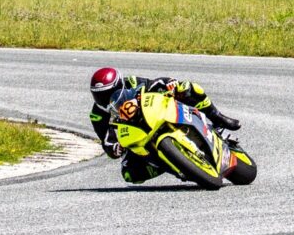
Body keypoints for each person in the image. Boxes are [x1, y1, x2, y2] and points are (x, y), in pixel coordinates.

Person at [88, 66, 241, 183]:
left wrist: (169, 83)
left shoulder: (131, 82)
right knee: (130, 175)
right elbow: (106, 141)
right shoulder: (97, 115)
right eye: (99, 95)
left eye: (108, 93)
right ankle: (171, 165)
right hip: (135, 137)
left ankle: (217, 117)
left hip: (153, 112)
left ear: (119, 85)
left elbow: (153, 84)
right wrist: (114, 148)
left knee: (187, 87)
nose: (105, 99)